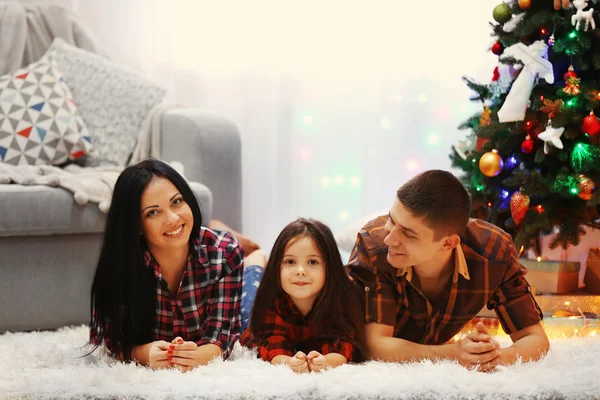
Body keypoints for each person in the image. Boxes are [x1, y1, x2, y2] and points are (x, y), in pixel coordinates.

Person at [347, 170, 550, 372]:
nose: (389, 239)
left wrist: (490, 357)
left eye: (408, 234)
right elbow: (374, 347)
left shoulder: (494, 251)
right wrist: (455, 353)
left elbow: (535, 339)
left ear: (448, 243)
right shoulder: (373, 245)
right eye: (392, 220)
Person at [88, 159, 266, 371]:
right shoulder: (121, 264)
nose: (172, 218)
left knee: (249, 315)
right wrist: (144, 353)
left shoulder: (225, 254)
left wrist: (197, 356)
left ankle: (256, 256)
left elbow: (222, 339)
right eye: (153, 212)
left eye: (176, 202)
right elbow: (111, 338)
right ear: (136, 224)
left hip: (231, 283)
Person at [240, 218, 366, 373]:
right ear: (276, 267)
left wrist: (327, 362)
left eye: (312, 262)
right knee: (247, 308)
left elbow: (344, 344)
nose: (300, 270)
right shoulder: (271, 298)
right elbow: (273, 346)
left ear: (330, 267)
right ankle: (254, 264)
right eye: (290, 262)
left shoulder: (342, 297)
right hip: (253, 316)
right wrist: (289, 362)